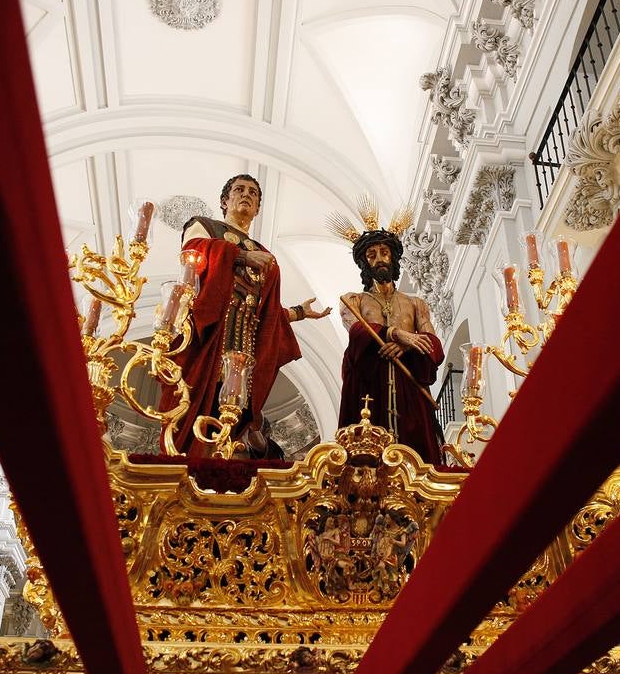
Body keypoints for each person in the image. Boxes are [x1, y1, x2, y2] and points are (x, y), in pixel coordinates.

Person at [162, 174, 330, 457]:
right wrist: (240, 256)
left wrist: (299, 312)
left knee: (233, 407)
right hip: (210, 332)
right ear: (224, 200)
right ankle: (186, 460)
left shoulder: (264, 253)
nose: (246, 195)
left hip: (244, 341)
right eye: (239, 190)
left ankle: (222, 460)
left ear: (258, 208)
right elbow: (193, 251)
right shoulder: (205, 226)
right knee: (194, 400)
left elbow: (263, 312)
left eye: (253, 192)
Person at [333, 202, 444, 464]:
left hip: (409, 388)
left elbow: (434, 347)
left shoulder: (416, 303)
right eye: (371, 255)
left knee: (416, 457)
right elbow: (358, 331)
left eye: (384, 252)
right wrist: (397, 334)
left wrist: (405, 346)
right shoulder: (353, 300)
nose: (379, 258)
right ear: (364, 262)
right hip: (369, 385)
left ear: (393, 258)